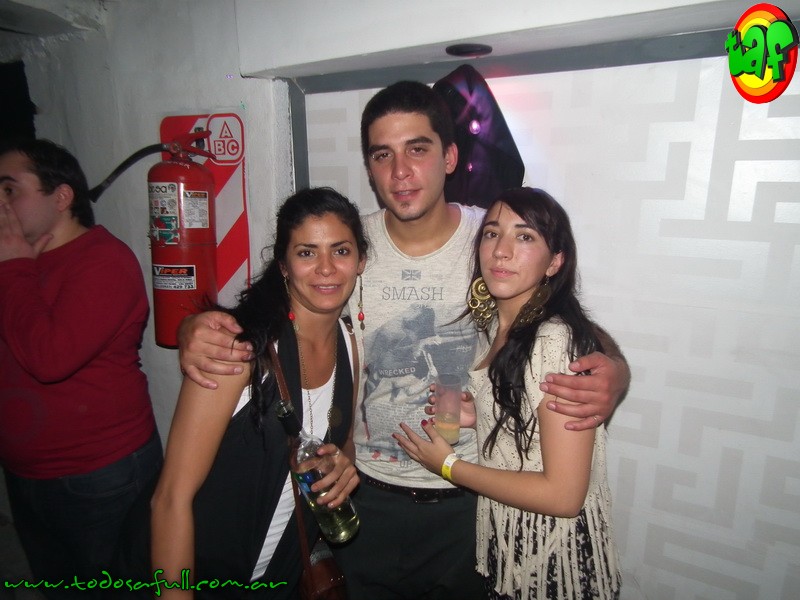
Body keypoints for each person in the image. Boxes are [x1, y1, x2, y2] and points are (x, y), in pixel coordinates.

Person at [178, 82, 630, 599]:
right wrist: (202, 326)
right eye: (382, 155)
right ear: (369, 167)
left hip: (467, 505)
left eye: (417, 149)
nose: (400, 172)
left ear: (450, 157)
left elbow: (563, 320)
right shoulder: (348, 247)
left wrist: (615, 372)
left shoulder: (493, 240)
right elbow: (277, 300)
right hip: (367, 500)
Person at [396, 187, 622, 599]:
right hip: (509, 545)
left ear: (555, 262)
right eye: (492, 233)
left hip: (554, 558)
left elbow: (564, 495)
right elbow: (529, 423)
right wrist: (481, 412)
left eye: (525, 236)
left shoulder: (554, 341)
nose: (501, 251)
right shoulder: (495, 328)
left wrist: (447, 466)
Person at [146, 187, 364, 599]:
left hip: (279, 578)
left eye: (340, 251)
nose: (326, 268)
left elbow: (344, 441)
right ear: (283, 265)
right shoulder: (237, 351)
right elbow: (170, 499)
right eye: (306, 252)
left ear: (360, 261)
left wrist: (342, 465)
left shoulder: (351, 345)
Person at [0, 139, 161, 598]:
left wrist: (12, 271)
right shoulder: (16, 265)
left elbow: (49, 359)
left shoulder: (102, 260)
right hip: (26, 472)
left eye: (10, 190)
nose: (1, 204)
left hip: (98, 477)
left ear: (62, 196)